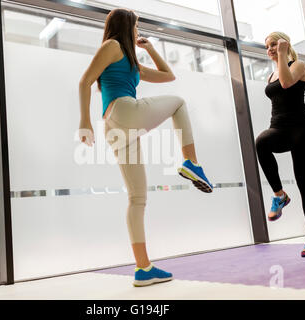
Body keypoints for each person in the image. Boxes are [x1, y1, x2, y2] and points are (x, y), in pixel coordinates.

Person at [78, 8, 213, 286]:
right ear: (125, 25)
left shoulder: (130, 59)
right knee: (178, 102)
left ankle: (143, 268)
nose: (138, 32)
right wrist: (83, 122)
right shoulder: (112, 45)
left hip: (117, 126)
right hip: (122, 111)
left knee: (137, 197)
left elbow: (168, 75)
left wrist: (149, 48)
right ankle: (191, 162)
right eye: (136, 26)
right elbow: (85, 80)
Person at [255, 31, 305, 257]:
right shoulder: (271, 74)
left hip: (302, 130)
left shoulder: (298, 65)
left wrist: (283, 54)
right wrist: (280, 56)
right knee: (262, 142)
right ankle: (279, 195)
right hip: (280, 127)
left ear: (284, 44)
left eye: (274, 44)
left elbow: (286, 83)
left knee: (304, 184)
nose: (270, 49)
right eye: (267, 46)